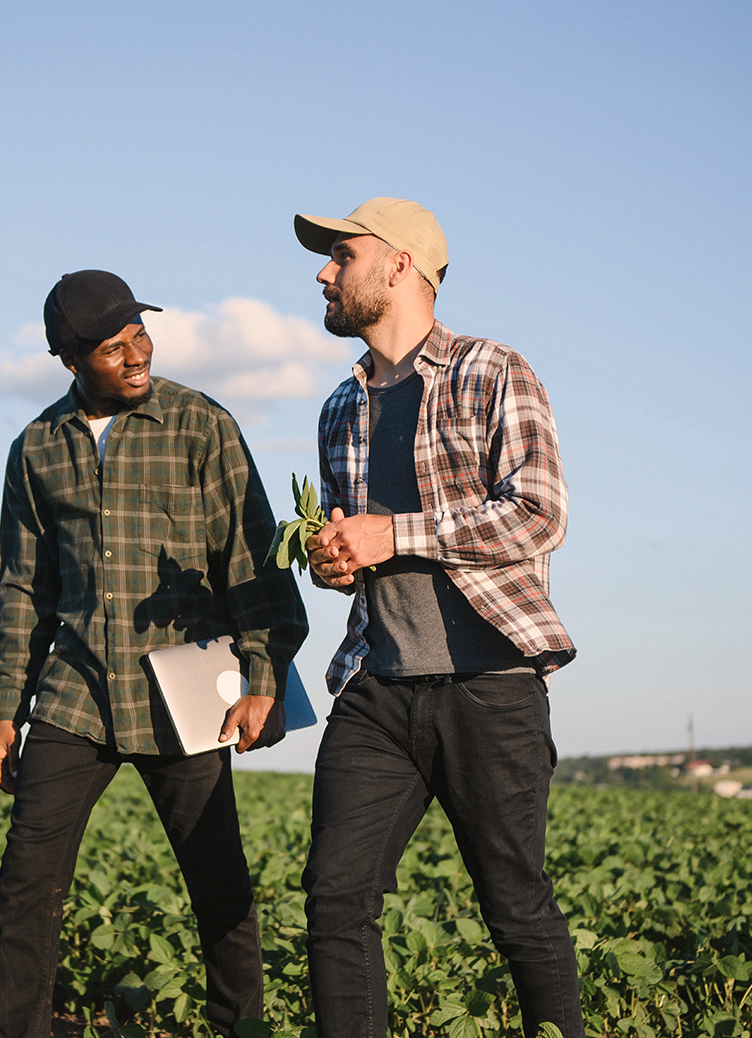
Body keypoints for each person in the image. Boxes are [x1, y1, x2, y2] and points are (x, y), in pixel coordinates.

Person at [0, 269, 309, 1038]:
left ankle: (239, 1029)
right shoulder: (35, 449)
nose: (137, 354)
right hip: (75, 692)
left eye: (140, 334)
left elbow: (252, 559)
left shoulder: (201, 424)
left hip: (184, 692)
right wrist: (6, 713)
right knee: (27, 880)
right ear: (69, 360)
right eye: (112, 347)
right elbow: (22, 589)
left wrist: (263, 677)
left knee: (217, 879)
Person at [292, 199, 584, 1038]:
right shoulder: (338, 407)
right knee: (334, 900)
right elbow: (360, 551)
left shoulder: (491, 370)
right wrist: (335, 562)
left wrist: (391, 533)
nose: (323, 274)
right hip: (378, 686)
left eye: (341, 256)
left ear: (400, 265)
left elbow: (537, 515)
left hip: (490, 684)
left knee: (514, 905)